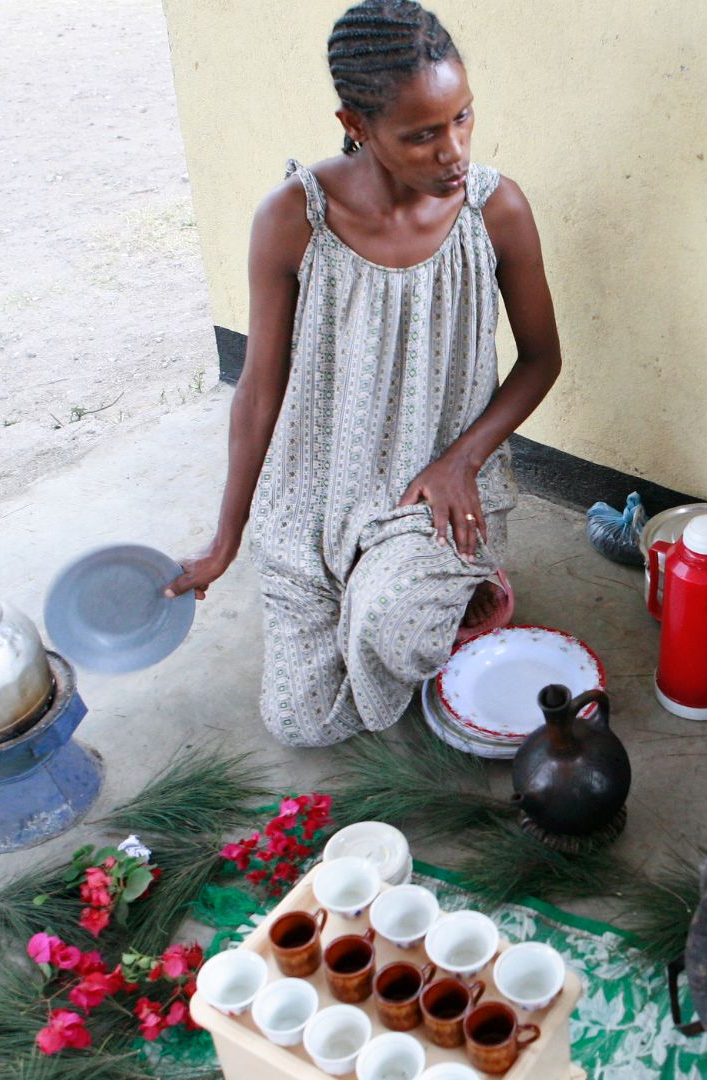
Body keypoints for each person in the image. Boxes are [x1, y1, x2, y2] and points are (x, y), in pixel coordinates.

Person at [167, 0, 562, 746]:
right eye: (422, 134)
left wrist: (460, 461)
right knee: (303, 725)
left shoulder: (495, 210)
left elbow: (543, 359)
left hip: (437, 491)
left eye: (462, 119)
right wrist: (227, 535)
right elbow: (257, 390)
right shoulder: (294, 219)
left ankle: (448, 582)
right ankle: (373, 591)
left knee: (394, 624)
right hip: (318, 495)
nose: (454, 152)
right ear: (357, 125)